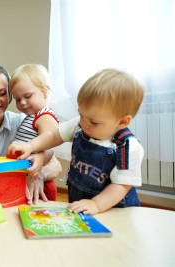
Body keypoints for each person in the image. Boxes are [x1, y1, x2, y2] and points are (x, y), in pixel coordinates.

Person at [8, 68, 145, 215]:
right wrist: (31, 145)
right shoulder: (79, 125)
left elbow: (121, 186)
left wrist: (96, 204)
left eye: (93, 122)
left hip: (113, 209)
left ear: (122, 122)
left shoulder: (127, 147)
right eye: (81, 115)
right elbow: (54, 136)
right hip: (80, 202)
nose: (84, 123)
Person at [0, 63, 62, 205]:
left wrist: (36, 174)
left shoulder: (23, 122)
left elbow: (56, 165)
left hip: (18, 198)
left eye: (1, 93)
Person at [9, 64, 60, 202]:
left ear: (45, 91)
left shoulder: (45, 117)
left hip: (39, 186)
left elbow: (49, 147)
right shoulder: (32, 117)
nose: (23, 103)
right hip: (26, 181)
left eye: (28, 96)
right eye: (18, 99)